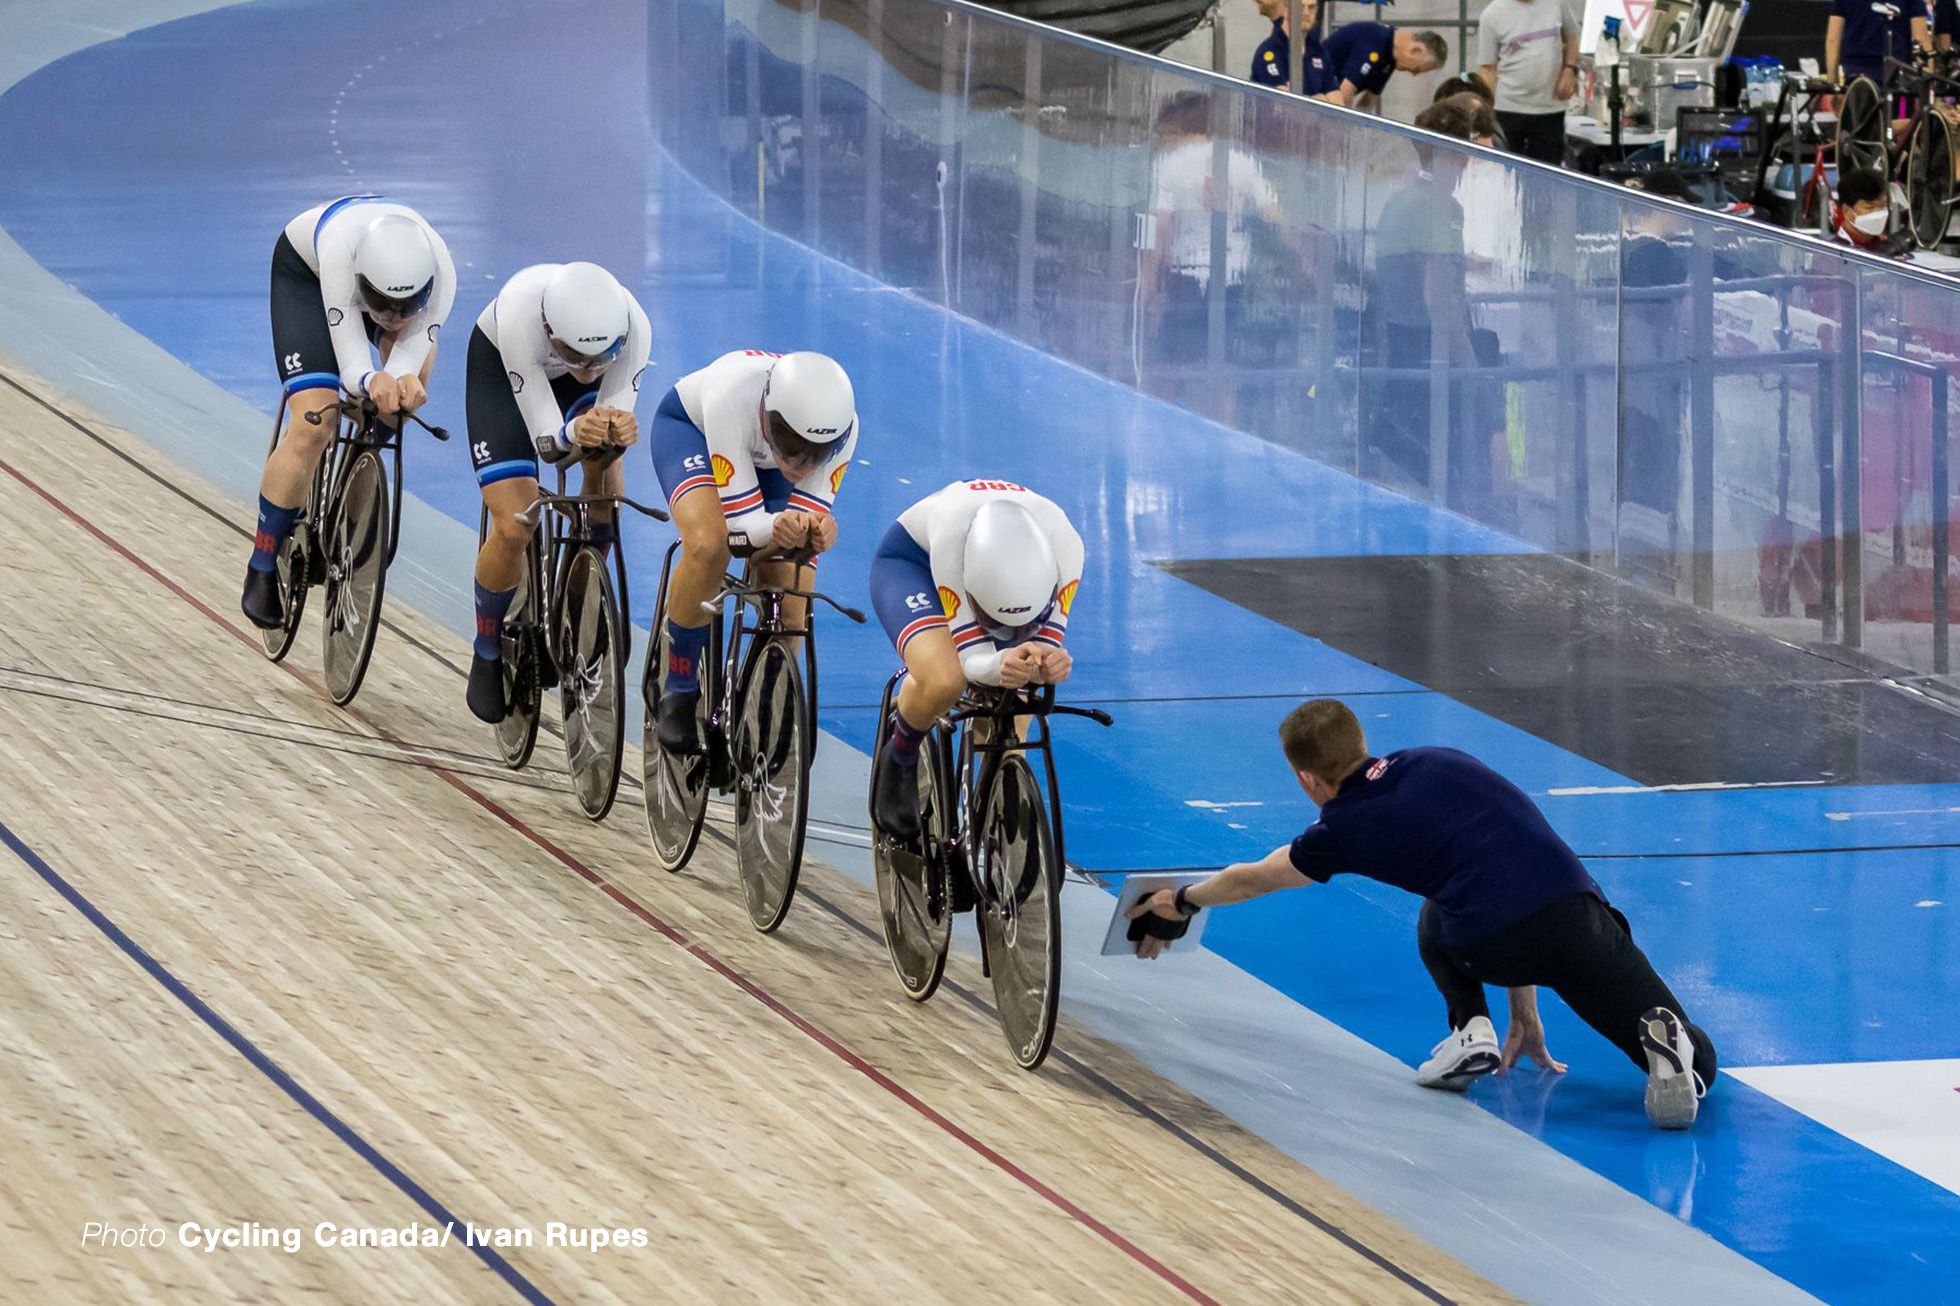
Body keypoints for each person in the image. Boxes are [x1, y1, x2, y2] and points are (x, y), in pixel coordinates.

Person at [1129, 699, 1717, 1129]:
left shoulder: (1341, 829)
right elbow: (1510, 862)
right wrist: (1527, 1007)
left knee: (1439, 910)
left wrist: (1181, 900)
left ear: (1307, 778)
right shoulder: (1437, 759)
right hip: (1578, 913)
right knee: (1701, 1060)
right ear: (1361, 741)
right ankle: (1674, 1057)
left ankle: (1470, 1030)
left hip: (1491, 940)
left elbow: (1255, 880)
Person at [243, 195, 455, 629]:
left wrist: (399, 379)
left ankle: (360, 476)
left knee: (408, 388)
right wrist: (369, 380)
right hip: (310, 278)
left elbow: (407, 353)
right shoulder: (341, 249)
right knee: (313, 426)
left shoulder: (443, 271)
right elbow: (353, 360)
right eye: (385, 306)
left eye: (407, 307)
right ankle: (262, 562)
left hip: (374, 289)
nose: (394, 319)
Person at [464, 262, 651, 722]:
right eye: (575, 355)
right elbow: (549, 444)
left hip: (570, 393)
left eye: (601, 358)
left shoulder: (635, 326)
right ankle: (486, 646)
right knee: (515, 522)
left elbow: (609, 422)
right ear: (551, 330)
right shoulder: (518, 318)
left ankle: (575, 602)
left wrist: (617, 427)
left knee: (606, 484)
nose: (589, 370)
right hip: (507, 376)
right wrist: (573, 431)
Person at [649, 350, 858, 754]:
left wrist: (815, 531)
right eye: (791, 446)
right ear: (768, 415)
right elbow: (740, 535)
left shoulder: (843, 430)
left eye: (815, 455)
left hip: (761, 465)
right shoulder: (731, 393)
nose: (799, 465)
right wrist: (778, 529)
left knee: (794, 602)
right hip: (694, 433)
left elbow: (801, 524)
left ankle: (763, 708)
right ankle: (678, 685)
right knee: (710, 547)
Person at [868, 480, 1084, 842]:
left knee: (1017, 701)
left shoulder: (1068, 547)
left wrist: (1049, 662)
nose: (1004, 633)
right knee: (945, 679)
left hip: (1001, 586)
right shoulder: (952, 535)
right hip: (915, 564)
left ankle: (1001, 800)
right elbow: (972, 662)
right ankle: (900, 752)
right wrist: (1000, 664)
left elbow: (1044, 646)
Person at [1474, 0, 1579, 165]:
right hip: (1507, 110)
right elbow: (1487, 69)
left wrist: (1569, 68)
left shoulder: (1557, 4)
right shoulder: (1492, 15)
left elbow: (1573, 35)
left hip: (1550, 110)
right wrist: (1486, 115)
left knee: (1547, 175)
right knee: (1506, 173)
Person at [1319, 24, 1447, 111]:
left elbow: (1369, 101)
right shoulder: (1375, 43)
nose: (1414, 74)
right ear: (1415, 50)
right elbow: (1345, 92)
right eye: (1417, 68)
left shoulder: (1390, 57)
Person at [1826, 0, 1924, 88]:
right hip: (1898, 76)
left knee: (1860, 105)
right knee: (1900, 107)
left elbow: (1833, 39)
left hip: (1856, 75)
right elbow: (1920, 38)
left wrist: (1833, 83)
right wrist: (1927, 85)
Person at [1249, 0, 1331, 93]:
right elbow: (1286, 102)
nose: (1306, 13)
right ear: (1284, 9)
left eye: (1311, 8)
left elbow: (1337, 103)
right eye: (1300, 7)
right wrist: (1321, 97)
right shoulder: (1269, 50)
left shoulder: (1318, 50)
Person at [1831, 167, 1895, 248]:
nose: (1877, 213)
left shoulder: (1888, 246)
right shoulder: (1832, 253)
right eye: (1870, 207)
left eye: (1882, 206)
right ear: (1847, 211)